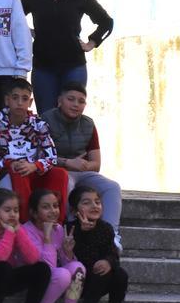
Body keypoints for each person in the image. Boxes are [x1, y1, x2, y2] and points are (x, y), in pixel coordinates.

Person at [21, 0, 113, 113]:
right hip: (43, 69)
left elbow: (106, 22)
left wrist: (92, 42)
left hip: (74, 67)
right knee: (47, 119)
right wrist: (28, 31)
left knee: (71, 117)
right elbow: (12, 18)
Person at [41, 82, 123, 242]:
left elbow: (96, 164)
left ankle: (110, 235)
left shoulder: (88, 124)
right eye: (71, 99)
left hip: (83, 171)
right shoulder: (44, 120)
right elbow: (38, 156)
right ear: (60, 100)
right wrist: (67, 162)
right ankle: (71, 231)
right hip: (57, 170)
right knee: (67, 183)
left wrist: (83, 165)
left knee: (112, 187)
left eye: (81, 101)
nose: (76, 104)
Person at [65, 185, 137, 303]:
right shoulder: (71, 229)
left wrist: (108, 262)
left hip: (99, 280)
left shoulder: (106, 228)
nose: (94, 206)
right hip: (77, 283)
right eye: (86, 203)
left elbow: (113, 253)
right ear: (73, 210)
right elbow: (80, 259)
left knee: (120, 274)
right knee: (98, 272)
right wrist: (84, 234)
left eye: (97, 202)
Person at [0, 78, 67, 223]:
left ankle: (56, 224)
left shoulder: (39, 124)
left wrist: (34, 166)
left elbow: (51, 156)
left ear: (30, 102)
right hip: (10, 171)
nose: (20, 103)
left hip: (35, 169)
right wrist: (9, 164)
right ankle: (26, 224)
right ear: (7, 100)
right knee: (18, 171)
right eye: (15, 98)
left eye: (24, 98)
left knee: (60, 173)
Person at [22, 189, 86, 303]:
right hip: (33, 279)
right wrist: (47, 238)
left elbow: (64, 262)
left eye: (55, 206)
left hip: (54, 276)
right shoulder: (26, 231)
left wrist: (68, 251)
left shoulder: (58, 229)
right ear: (34, 212)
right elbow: (47, 268)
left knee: (78, 268)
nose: (53, 211)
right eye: (46, 207)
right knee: (62, 274)